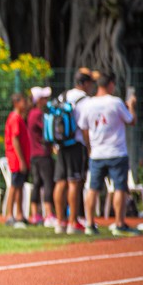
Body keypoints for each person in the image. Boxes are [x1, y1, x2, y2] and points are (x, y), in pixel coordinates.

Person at [78, 72, 138, 235]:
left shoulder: (88, 104)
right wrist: (131, 105)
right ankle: (119, 223)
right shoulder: (116, 102)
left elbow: (83, 127)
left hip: (97, 153)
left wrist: (90, 147)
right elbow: (131, 120)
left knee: (93, 188)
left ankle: (90, 224)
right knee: (119, 188)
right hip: (117, 152)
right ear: (111, 84)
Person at [53, 69, 95, 234]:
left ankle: (59, 222)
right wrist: (89, 146)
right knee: (74, 182)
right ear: (84, 83)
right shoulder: (85, 100)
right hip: (76, 145)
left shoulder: (63, 96)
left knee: (60, 182)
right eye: (90, 83)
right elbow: (85, 127)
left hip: (61, 145)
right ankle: (72, 222)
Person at [27, 86, 56, 226]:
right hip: (42, 154)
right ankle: (49, 214)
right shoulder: (38, 114)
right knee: (47, 182)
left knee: (37, 183)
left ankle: (35, 214)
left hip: (34, 155)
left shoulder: (31, 113)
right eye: (44, 98)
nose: (46, 100)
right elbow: (48, 132)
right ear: (38, 100)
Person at [3, 92, 31, 228]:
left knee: (20, 186)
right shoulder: (15, 118)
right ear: (16, 103)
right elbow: (15, 140)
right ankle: (9, 215)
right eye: (23, 102)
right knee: (14, 186)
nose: (25, 104)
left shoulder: (20, 118)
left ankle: (20, 214)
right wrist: (21, 160)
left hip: (21, 159)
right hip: (16, 159)